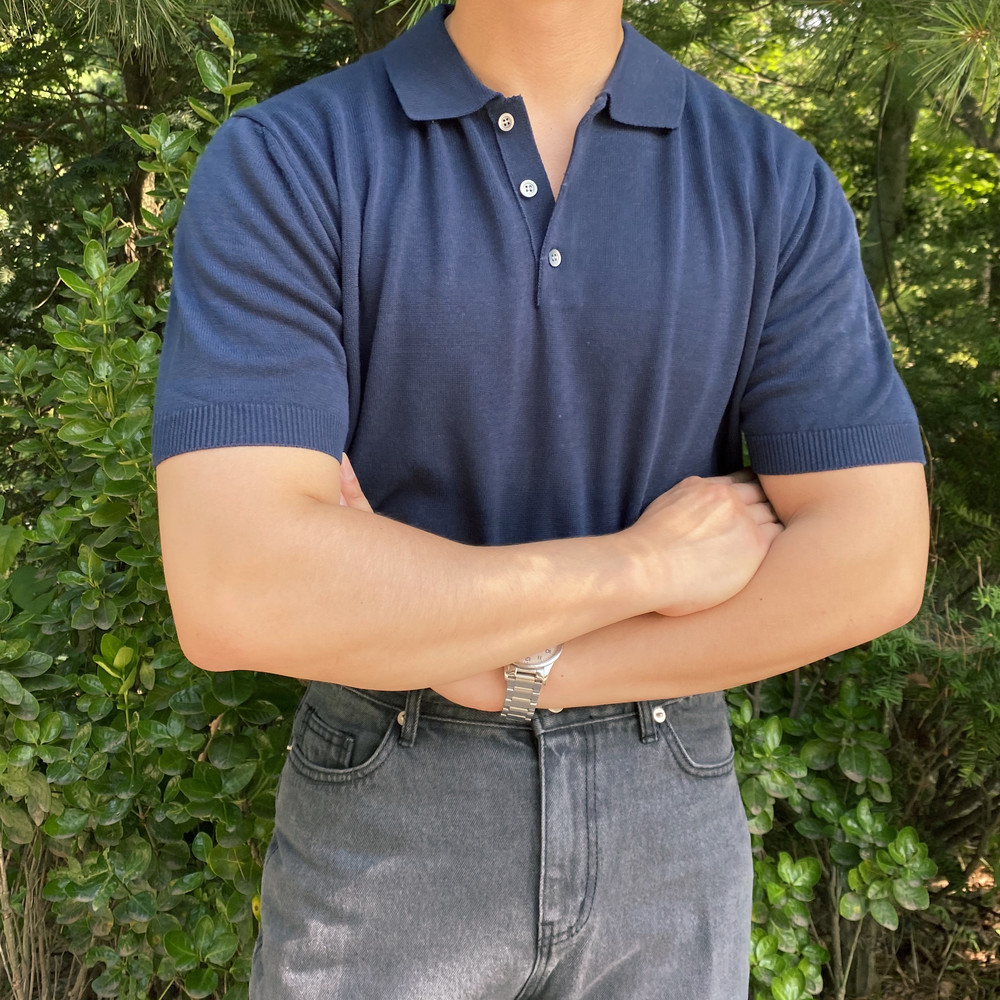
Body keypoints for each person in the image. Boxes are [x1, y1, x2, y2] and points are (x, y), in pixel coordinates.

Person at [152, 1, 929, 997]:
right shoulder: (291, 160)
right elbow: (239, 590)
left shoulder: (769, 179)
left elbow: (873, 562)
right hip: (390, 798)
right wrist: (640, 564)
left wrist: (519, 674)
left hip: (666, 811)